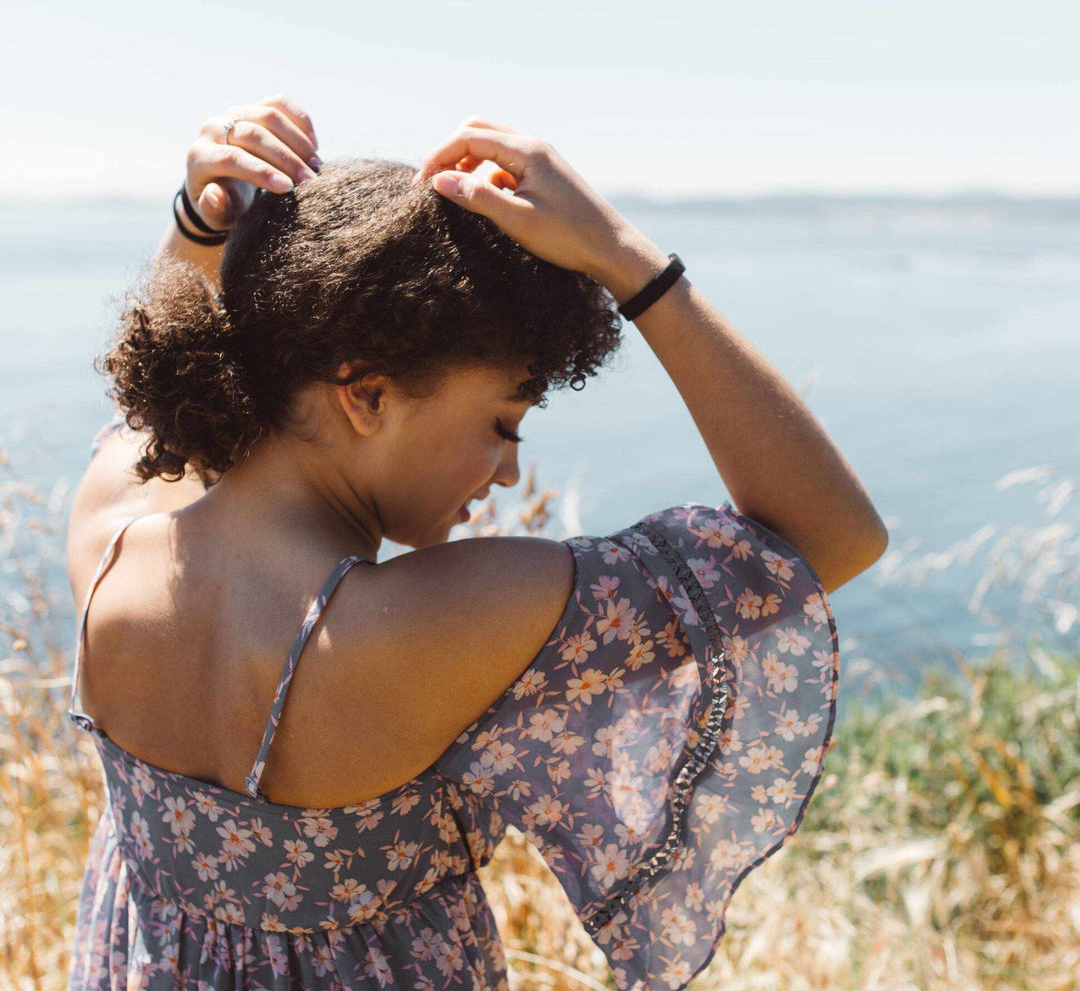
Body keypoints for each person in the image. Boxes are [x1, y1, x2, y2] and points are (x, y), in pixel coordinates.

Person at [64, 94, 887, 990]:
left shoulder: (113, 530)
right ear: (367, 396)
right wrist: (627, 259)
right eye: (505, 421)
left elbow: (161, 400)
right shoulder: (438, 621)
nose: (506, 470)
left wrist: (201, 222)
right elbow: (827, 537)